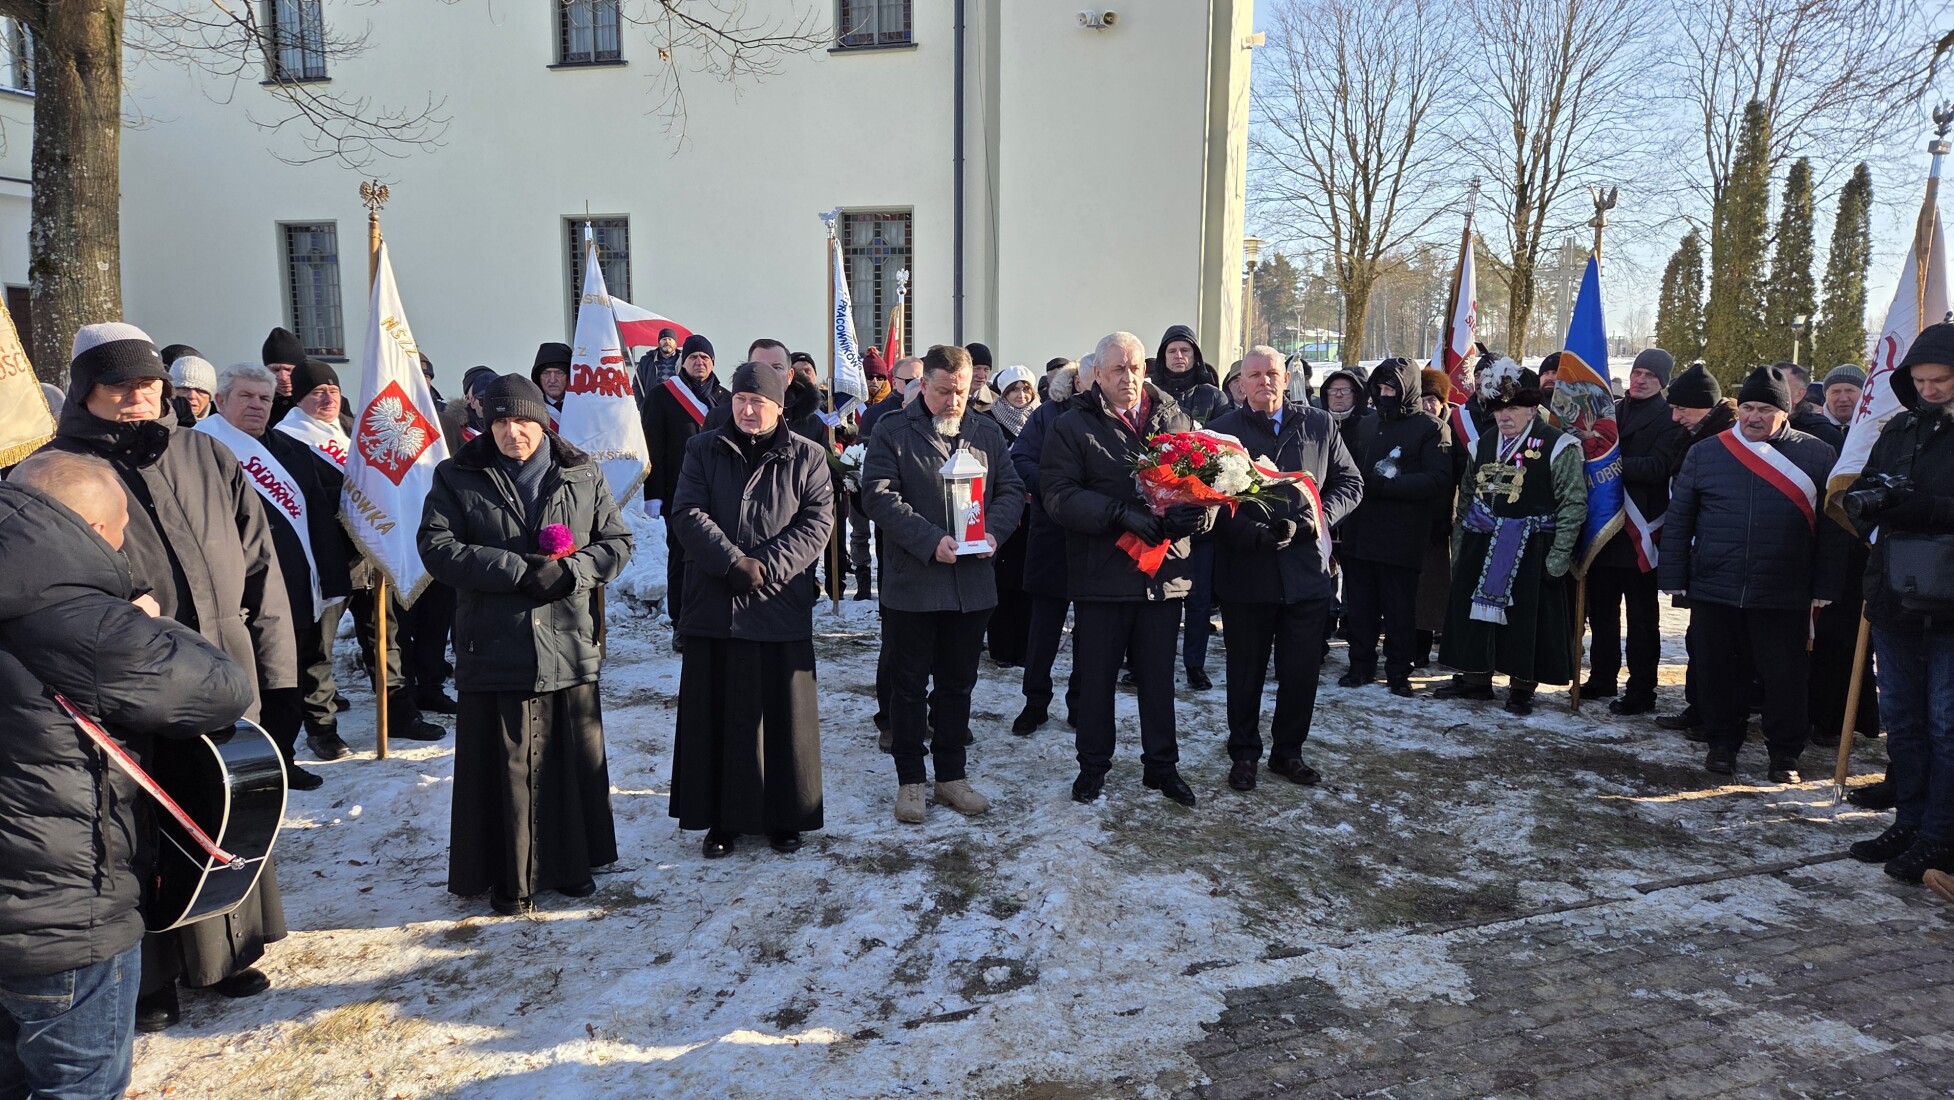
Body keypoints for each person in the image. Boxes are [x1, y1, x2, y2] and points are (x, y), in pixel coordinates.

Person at [43, 322, 293, 1029]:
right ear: (86, 391)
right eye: (119, 386)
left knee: (224, 805)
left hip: (224, 664)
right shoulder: (56, 470)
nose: (138, 398)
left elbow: (261, 566)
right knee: (138, 822)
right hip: (125, 682)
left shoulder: (205, 453)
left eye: (148, 384)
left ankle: (228, 954)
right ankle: (151, 978)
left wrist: (278, 672)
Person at [0, 451, 255, 1100]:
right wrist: (151, 622)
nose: (120, 546)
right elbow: (222, 689)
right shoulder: (88, 622)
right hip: (59, 916)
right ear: (89, 529)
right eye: (118, 532)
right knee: (76, 1086)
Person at [418, 374, 633, 915]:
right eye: (500, 421)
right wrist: (516, 569)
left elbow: (617, 542)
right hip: (495, 643)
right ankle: (508, 876)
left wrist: (571, 572)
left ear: (541, 421)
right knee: (507, 765)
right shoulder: (457, 474)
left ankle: (571, 865)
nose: (512, 432)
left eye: (522, 420)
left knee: (566, 760)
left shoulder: (581, 472)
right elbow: (437, 547)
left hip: (567, 644)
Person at [667, 362, 834, 857]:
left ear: (779, 407)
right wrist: (730, 562)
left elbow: (817, 522)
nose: (747, 410)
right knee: (717, 712)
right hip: (714, 601)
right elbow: (687, 512)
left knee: (782, 716)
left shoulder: (808, 455)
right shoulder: (702, 449)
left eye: (758, 402)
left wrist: (763, 566)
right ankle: (721, 819)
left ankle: (785, 816)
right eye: (740, 399)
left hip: (779, 601)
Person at [1044, 332, 1215, 806]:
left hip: (1164, 574)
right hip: (1103, 573)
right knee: (1097, 679)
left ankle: (1162, 767)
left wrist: (1199, 517)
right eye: (1118, 369)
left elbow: (1206, 482)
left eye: (1136, 367)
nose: (1129, 377)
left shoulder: (1175, 419)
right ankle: (1092, 767)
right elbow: (1058, 495)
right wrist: (1118, 514)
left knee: (1158, 679)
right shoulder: (1072, 426)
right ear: (1097, 374)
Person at [1660, 365, 1845, 784]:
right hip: (1715, 585)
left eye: (1765, 409)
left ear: (1785, 412)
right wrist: (1673, 576)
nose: (1753, 417)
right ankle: (1722, 744)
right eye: (1747, 408)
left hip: (1783, 589)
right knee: (1718, 672)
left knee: (1785, 677)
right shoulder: (1706, 452)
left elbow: (1832, 530)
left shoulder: (1817, 454)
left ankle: (1784, 755)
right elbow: (1680, 518)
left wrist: (1826, 584)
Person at [864, 345, 1025, 823]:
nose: (953, 402)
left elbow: (1011, 489)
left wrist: (992, 532)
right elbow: (879, 495)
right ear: (922, 385)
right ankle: (911, 780)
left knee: (958, 685)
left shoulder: (985, 431)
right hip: (914, 584)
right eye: (942, 392)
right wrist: (930, 540)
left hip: (970, 586)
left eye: (961, 392)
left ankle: (951, 776)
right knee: (909, 687)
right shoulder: (893, 430)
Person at [1208, 347, 1364, 789]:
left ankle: (1288, 753)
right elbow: (1209, 501)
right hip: (1247, 573)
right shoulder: (1222, 432)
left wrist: (1316, 519)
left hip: (1306, 572)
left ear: (1287, 378)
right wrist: (1252, 533)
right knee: (1245, 673)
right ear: (1241, 383)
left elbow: (1350, 482)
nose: (1265, 382)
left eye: (1272, 373)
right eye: (1255, 375)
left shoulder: (1319, 424)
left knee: (1300, 673)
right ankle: (1244, 754)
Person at [200, 361, 352, 791]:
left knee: (287, 682)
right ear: (221, 400)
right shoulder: (199, 449)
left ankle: (282, 761)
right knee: (243, 685)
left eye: (264, 398)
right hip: (231, 594)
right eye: (246, 396)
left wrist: (331, 580)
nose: (257, 405)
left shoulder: (290, 450)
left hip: (291, 590)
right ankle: (242, 769)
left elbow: (317, 518)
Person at [1842, 326, 1954, 882]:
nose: (1929, 389)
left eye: (1941, 380)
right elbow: (1866, 486)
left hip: (1949, 601)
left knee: (1945, 725)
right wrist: (1872, 499)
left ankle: (1941, 834)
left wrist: (1925, 507)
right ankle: (1909, 821)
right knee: (1903, 722)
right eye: (1920, 380)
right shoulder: (1899, 428)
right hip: (1894, 593)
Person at [1434, 360, 1586, 715]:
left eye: (1513, 408)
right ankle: (1476, 678)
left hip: (1532, 548)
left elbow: (1573, 503)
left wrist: (1558, 557)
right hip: (1482, 542)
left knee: (1525, 620)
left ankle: (1522, 686)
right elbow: (1467, 494)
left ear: (1532, 409)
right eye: (1499, 409)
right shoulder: (1484, 443)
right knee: (1476, 616)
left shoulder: (1558, 445)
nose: (1504, 416)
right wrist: (1462, 544)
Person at [1584, 348, 1689, 714]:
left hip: (1640, 533)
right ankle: (1602, 676)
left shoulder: (1669, 417)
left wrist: (1607, 464)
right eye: (1638, 373)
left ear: (1663, 382)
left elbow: (1659, 466)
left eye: (1651, 376)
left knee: (1642, 620)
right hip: (1604, 529)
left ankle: (1642, 689)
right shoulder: (1611, 410)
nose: (1641, 380)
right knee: (1602, 614)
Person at [1336, 357, 1449, 696]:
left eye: (1392, 389)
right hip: (1361, 531)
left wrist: (1388, 486)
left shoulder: (1430, 428)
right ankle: (1360, 665)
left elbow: (1437, 479)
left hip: (1402, 534)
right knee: (1360, 606)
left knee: (1399, 609)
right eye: (1381, 389)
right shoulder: (1366, 424)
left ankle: (1399, 670)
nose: (1385, 395)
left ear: (1408, 390)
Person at [1150, 325, 1227, 689]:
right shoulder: (1151, 393)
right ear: (1162, 356)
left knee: (1198, 596)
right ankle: (1147, 660)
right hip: (1160, 511)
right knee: (1155, 593)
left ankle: (1195, 663)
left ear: (1195, 356)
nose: (1179, 357)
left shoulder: (1212, 396)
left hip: (1202, 511)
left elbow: (1226, 448)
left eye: (1185, 350)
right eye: (1172, 351)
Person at [1010, 361, 1083, 735]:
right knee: (1043, 629)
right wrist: (1054, 488)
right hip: (1051, 533)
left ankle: (1080, 704)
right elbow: (1020, 458)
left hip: (1096, 539)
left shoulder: (1112, 416)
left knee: (1091, 632)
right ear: (1077, 381)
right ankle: (1035, 703)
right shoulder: (1047, 414)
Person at [642, 333, 727, 651]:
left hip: (722, 494)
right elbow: (653, 448)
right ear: (682, 361)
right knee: (681, 560)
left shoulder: (727, 398)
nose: (699, 362)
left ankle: (716, 620)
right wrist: (654, 495)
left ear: (713, 362)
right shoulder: (662, 396)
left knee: (719, 557)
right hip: (679, 494)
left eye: (705, 357)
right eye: (693, 357)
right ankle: (681, 623)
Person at [983, 364, 1040, 667]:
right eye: (1013, 390)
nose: (1020, 395)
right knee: (1003, 581)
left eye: (1025, 389)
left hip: (1034, 510)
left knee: (1029, 580)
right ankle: (1002, 648)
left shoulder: (1040, 419)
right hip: (1003, 509)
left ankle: (1026, 648)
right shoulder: (991, 421)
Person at [1413, 367, 1464, 666]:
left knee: (1441, 586)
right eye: (1422, 399)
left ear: (1443, 402)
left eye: (1432, 399)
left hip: (1449, 518)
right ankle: (1419, 647)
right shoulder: (1413, 427)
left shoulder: (1455, 429)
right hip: (1418, 518)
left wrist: (1448, 514)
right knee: (1422, 589)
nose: (1427, 405)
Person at [1780, 362, 1845, 450]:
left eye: (1780, 386)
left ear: (1800, 394)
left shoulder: (1825, 434)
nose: (1771, 389)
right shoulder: (1761, 428)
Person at [261, 326, 304, 424]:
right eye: (275, 370)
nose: (283, 377)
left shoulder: (320, 400)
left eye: (289, 370)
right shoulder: (257, 402)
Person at [633, 327, 684, 400]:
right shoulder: (646, 361)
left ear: (675, 344)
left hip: (678, 404)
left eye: (670, 339)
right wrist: (642, 405)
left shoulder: (685, 361)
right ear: (659, 343)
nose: (667, 341)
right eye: (664, 339)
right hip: (654, 404)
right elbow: (637, 385)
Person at [167, 352, 216, 426]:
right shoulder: (156, 421)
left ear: (210, 396)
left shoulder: (224, 426)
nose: (192, 396)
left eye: (200, 390)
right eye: (185, 388)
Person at [532, 342, 572, 430]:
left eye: (559, 373)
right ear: (539, 377)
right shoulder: (532, 410)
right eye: (546, 373)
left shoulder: (582, 406)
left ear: (569, 376)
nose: (552, 380)